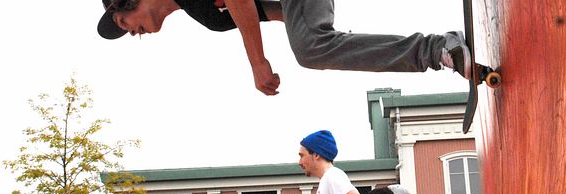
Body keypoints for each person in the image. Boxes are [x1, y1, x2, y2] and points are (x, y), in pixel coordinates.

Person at [95, 0, 472, 96]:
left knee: (310, 49)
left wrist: (258, 63)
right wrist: (338, 45)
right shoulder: (203, 15)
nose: (132, 33)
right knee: (313, 47)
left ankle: (437, 48)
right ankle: (441, 50)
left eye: (124, 24)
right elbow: (275, 11)